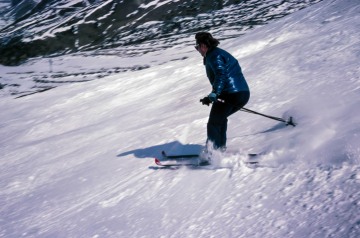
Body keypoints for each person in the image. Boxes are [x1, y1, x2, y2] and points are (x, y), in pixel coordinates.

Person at [195, 32, 250, 156]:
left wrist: (215, 93)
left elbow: (221, 75)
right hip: (241, 93)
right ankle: (219, 150)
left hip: (231, 94)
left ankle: (213, 153)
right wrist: (211, 97)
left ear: (203, 45)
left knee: (214, 122)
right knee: (219, 119)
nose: (197, 50)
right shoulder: (217, 53)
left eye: (197, 47)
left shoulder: (214, 55)